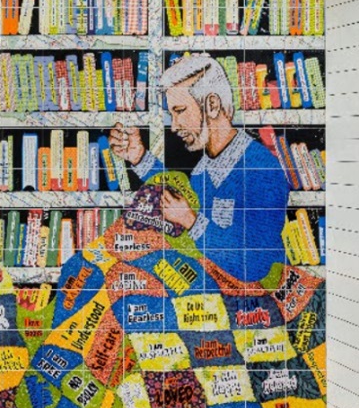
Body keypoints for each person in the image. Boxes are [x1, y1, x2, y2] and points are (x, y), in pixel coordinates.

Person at [109, 53, 288, 282]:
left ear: (212, 105)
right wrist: (139, 157)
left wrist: (192, 222)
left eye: (180, 111)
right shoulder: (205, 167)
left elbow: (254, 264)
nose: (174, 126)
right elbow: (180, 199)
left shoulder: (261, 171)